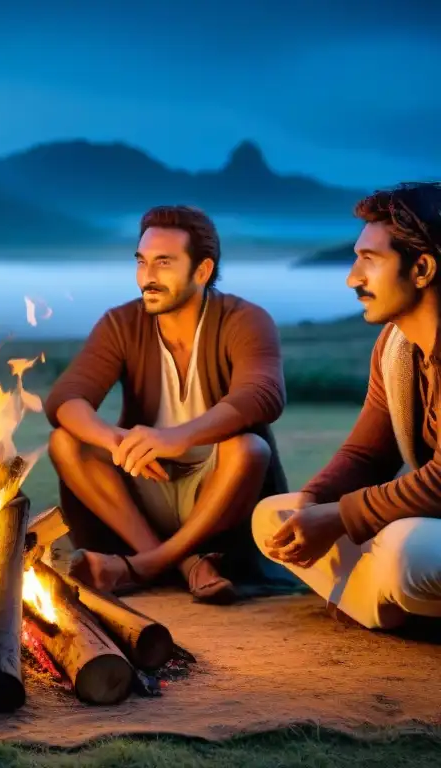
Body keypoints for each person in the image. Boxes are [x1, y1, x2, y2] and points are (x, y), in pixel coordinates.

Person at [46, 205, 293, 603]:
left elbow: (263, 395)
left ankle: (143, 567)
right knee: (66, 441)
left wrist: (178, 437)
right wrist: (114, 441)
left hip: (216, 491)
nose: (148, 277)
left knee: (249, 448)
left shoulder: (244, 320)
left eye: (164, 263)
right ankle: (180, 563)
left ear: (202, 271)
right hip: (144, 485)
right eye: (142, 262)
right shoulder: (121, 323)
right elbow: (66, 398)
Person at [253, 182, 441, 630]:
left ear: (422, 268)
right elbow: (367, 455)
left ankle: (383, 601)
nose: (352, 278)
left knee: (406, 549)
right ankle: (390, 605)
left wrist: (340, 515)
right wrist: (314, 504)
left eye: (369, 260)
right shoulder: (396, 348)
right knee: (274, 517)